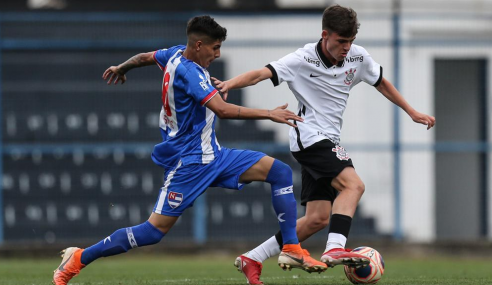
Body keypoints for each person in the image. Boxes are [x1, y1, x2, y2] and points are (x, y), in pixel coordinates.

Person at [52, 15, 328, 285]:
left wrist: (122, 67)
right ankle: (78, 258)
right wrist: (268, 113)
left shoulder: (173, 54)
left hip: (214, 155)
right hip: (190, 162)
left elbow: (144, 57)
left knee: (279, 171)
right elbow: (221, 110)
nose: (218, 54)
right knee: (153, 232)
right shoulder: (190, 71)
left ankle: (291, 247)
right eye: (215, 47)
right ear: (198, 45)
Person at [213, 5, 436, 285]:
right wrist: (229, 84)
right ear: (325, 34)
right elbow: (263, 73)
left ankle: (253, 258)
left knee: (317, 219)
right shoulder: (302, 58)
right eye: (341, 41)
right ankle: (334, 248)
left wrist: (411, 111)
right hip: (308, 137)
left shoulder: (358, 56)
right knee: (354, 185)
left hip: (326, 139)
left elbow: (381, 83)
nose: (347, 47)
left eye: (351, 41)